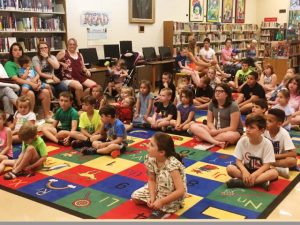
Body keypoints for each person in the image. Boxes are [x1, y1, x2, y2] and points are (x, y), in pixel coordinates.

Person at [131, 132, 186, 219]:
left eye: (152, 145)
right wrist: (152, 197)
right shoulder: (150, 158)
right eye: (149, 143)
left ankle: (165, 208)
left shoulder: (172, 165)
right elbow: (151, 180)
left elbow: (180, 191)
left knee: (164, 177)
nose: (147, 145)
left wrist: (161, 201)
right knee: (135, 197)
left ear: (161, 152)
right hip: (158, 188)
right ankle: (158, 204)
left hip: (172, 193)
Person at [226, 114, 278, 191]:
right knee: (230, 168)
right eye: (247, 127)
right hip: (246, 168)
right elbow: (238, 161)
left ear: (262, 130)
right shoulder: (242, 141)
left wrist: (254, 175)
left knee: (274, 173)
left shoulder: (267, 143)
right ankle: (260, 182)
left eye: (252, 128)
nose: (247, 130)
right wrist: (244, 172)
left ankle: (242, 183)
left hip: (261, 171)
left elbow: (266, 166)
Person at [4, 43, 52, 121]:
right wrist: (32, 84)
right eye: (15, 50)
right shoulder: (9, 64)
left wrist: (38, 82)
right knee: (30, 93)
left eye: (20, 50)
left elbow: (35, 73)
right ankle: (30, 118)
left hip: (34, 85)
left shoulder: (26, 61)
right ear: (11, 52)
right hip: (20, 89)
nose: (18, 52)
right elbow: (16, 79)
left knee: (46, 91)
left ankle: (47, 116)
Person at [190, 83, 243, 148]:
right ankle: (216, 142)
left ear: (226, 94)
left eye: (221, 91)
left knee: (232, 136)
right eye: (216, 91)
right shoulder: (212, 103)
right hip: (216, 129)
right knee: (193, 126)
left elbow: (233, 128)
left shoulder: (233, 106)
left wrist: (216, 132)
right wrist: (213, 130)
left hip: (231, 132)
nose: (217, 93)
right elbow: (209, 121)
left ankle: (204, 138)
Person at [56, 38, 97, 106]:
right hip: (68, 78)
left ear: (76, 46)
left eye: (74, 44)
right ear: (67, 45)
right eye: (70, 44)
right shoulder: (63, 53)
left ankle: (82, 99)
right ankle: (80, 105)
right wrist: (61, 63)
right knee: (79, 86)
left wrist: (86, 70)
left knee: (94, 86)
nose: (72, 46)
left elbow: (83, 67)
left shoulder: (79, 54)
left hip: (79, 76)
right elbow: (54, 61)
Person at [264, 108, 297, 179]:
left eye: (270, 121)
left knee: (292, 161)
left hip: (276, 159)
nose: (266, 122)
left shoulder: (284, 134)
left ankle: (268, 166)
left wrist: (276, 156)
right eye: (266, 120)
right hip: (264, 157)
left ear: (279, 124)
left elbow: (293, 153)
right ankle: (277, 169)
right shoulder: (263, 130)